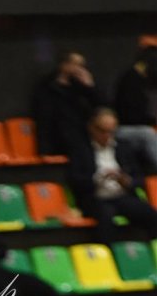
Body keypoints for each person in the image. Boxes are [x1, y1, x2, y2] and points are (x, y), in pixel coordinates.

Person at [67, 108, 157, 246]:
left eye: (111, 131)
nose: (106, 135)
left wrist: (127, 181)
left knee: (149, 213)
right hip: (96, 198)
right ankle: (108, 254)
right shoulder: (80, 150)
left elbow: (139, 178)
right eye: (102, 131)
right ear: (91, 128)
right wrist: (97, 180)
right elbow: (75, 180)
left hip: (121, 196)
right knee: (105, 215)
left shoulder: (123, 147)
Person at [32, 50, 104, 157]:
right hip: (58, 134)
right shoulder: (47, 87)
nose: (80, 69)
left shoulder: (82, 87)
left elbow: (102, 106)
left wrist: (90, 87)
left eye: (82, 65)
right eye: (76, 65)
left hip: (83, 132)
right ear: (64, 65)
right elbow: (44, 118)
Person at [114, 46, 157, 174]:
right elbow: (130, 116)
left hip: (139, 127)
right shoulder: (130, 79)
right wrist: (151, 120)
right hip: (124, 129)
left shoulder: (144, 80)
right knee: (147, 133)